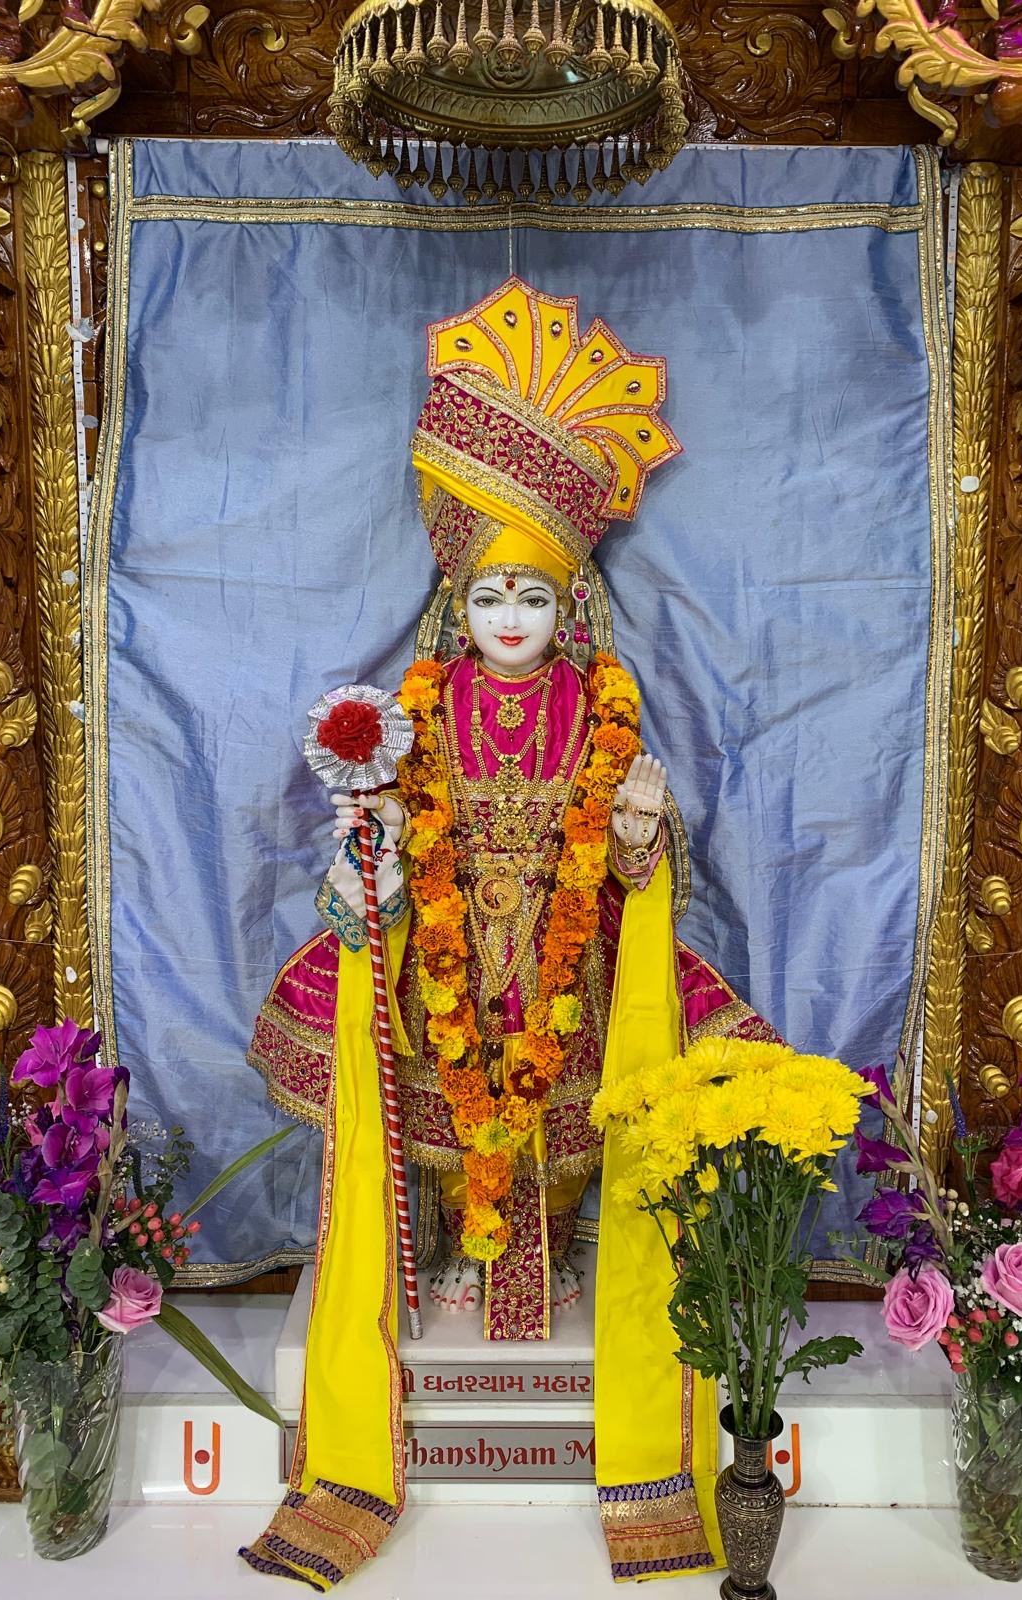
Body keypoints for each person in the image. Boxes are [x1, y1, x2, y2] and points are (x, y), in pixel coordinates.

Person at [242, 278, 778, 1588]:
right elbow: (388, 822)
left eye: (533, 599)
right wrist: (366, 860)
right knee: (442, 1093)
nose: (512, 623)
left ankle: (555, 1261)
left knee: (573, 1104)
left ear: (570, 606)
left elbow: (641, 858)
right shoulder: (421, 706)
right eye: (490, 601)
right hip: (450, 957)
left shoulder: (603, 706)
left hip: (563, 958)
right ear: (457, 608)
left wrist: (640, 834)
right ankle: (448, 1253)